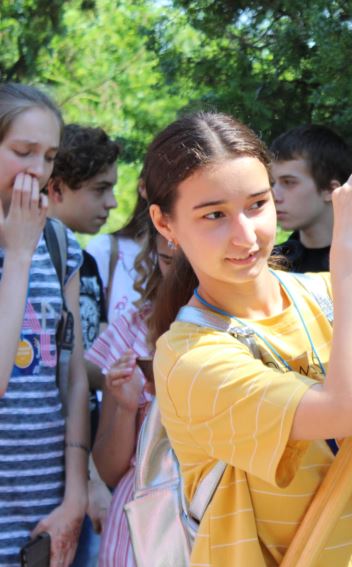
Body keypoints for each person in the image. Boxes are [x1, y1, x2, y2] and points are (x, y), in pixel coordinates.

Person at [144, 111, 352, 566]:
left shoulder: (330, 296)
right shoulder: (188, 358)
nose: (245, 235)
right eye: (214, 215)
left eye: (257, 204)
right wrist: (349, 246)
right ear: (165, 224)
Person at [0, 83, 89, 567]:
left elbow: (74, 377)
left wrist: (75, 495)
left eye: (49, 156)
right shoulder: (25, 246)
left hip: (47, 509)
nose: (38, 169)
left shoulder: (58, 243)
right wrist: (17, 254)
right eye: (22, 151)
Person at [47, 123, 121, 566]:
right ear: (56, 188)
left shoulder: (83, 260)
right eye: (99, 189)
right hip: (50, 472)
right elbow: (65, 371)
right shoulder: (36, 263)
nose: (112, 203)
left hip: (87, 455)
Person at [89, 226, 171, 567]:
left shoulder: (250, 326)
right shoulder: (135, 328)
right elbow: (108, 470)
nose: (180, 275)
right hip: (134, 540)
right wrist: (125, 408)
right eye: (168, 260)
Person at [270, 124, 352, 273]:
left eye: (288, 182)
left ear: (330, 190)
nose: (273, 195)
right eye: (272, 183)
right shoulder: (271, 265)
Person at [86, 180, 148, 323]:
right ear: (143, 187)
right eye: (101, 188)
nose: (112, 203)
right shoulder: (104, 249)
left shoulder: (188, 258)